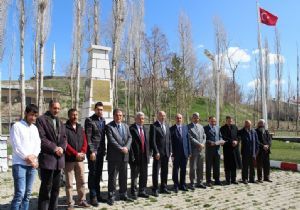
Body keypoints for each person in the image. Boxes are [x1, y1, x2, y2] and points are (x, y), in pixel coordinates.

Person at [37, 99, 67, 210]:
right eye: (55, 108)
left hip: (59, 160)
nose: (57, 110)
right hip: (48, 159)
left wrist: (62, 148)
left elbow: (64, 138)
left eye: (58, 108)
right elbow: (42, 138)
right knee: (46, 189)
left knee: (56, 189)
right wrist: (54, 148)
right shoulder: (41, 120)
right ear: (50, 107)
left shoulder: (60, 121)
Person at [10, 104, 40, 210]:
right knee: (20, 194)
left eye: (35, 115)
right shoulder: (17, 126)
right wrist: (27, 157)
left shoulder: (35, 128)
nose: (33, 118)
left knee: (27, 194)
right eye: (31, 115)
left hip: (32, 165)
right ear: (26, 113)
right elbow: (16, 145)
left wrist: (34, 156)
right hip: (19, 164)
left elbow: (38, 144)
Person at [106, 108, 133, 205]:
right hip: (114, 156)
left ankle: (123, 194)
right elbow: (111, 140)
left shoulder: (126, 126)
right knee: (112, 177)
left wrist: (127, 147)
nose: (119, 117)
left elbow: (130, 137)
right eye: (117, 115)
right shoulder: (109, 126)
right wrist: (121, 148)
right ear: (113, 116)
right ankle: (111, 196)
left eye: (120, 115)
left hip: (125, 155)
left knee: (123, 176)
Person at [64, 109, 89, 210]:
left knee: (81, 181)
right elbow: (65, 143)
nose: (75, 116)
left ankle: (82, 200)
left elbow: (85, 141)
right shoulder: (64, 128)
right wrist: (75, 153)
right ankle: (70, 203)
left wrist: (83, 152)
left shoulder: (80, 127)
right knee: (69, 183)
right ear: (69, 116)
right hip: (69, 159)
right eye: (73, 115)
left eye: (76, 114)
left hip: (80, 160)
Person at [84, 102, 106, 206]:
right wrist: (92, 151)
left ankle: (98, 194)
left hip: (101, 152)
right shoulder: (89, 120)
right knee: (92, 173)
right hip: (93, 152)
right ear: (94, 109)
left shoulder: (103, 120)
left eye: (101, 109)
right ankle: (92, 196)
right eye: (98, 109)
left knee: (98, 174)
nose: (100, 111)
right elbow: (88, 137)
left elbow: (102, 137)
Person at [150, 111, 172, 197]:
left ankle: (164, 187)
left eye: (164, 116)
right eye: (161, 116)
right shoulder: (154, 126)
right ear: (157, 116)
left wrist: (170, 151)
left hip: (166, 153)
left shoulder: (166, 125)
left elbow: (169, 140)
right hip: (158, 154)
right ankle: (155, 189)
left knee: (165, 171)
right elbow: (153, 141)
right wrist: (156, 152)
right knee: (156, 172)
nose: (163, 117)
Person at [129, 112, 150, 199]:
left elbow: (147, 142)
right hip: (135, 156)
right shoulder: (131, 128)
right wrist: (132, 156)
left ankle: (142, 191)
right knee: (134, 175)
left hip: (144, 155)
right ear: (135, 119)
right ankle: (134, 192)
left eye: (143, 119)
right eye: (140, 118)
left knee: (144, 174)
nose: (141, 120)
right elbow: (130, 144)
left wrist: (149, 154)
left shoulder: (145, 128)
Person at [170, 114, 191, 193]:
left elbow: (188, 140)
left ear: (182, 119)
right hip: (176, 153)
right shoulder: (171, 129)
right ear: (175, 119)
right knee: (175, 169)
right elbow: (170, 142)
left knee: (183, 169)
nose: (179, 119)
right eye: (177, 118)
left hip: (184, 153)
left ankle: (183, 184)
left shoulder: (185, 128)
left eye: (180, 118)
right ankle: (176, 185)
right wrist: (172, 153)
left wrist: (189, 151)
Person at [220, 116, 242, 185]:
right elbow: (223, 137)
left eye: (231, 121)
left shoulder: (235, 127)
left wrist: (237, 141)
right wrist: (232, 141)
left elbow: (238, 136)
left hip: (235, 149)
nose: (230, 122)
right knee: (227, 165)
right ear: (226, 121)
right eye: (229, 120)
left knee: (234, 164)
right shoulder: (222, 128)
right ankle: (227, 180)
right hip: (227, 148)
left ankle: (233, 179)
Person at [187, 112, 206, 190]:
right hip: (194, 150)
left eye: (197, 118)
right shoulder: (188, 127)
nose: (196, 119)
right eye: (195, 117)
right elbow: (190, 138)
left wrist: (203, 144)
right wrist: (199, 144)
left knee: (200, 167)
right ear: (192, 118)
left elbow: (204, 136)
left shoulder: (201, 127)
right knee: (193, 167)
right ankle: (192, 183)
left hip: (201, 150)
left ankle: (200, 182)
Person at [204, 116, 224, 186]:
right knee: (209, 166)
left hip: (217, 150)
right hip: (209, 150)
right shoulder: (205, 128)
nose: (213, 122)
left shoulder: (218, 127)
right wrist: (210, 142)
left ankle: (217, 180)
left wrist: (221, 141)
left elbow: (220, 136)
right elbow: (204, 139)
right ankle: (208, 181)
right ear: (209, 121)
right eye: (212, 121)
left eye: (214, 121)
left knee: (217, 166)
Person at [238, 120, 259, 184]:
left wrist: (256, 151)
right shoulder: (242, 131)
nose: (248, 126)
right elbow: (238, 137)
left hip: (253, 152)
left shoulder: (253, 131)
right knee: (245, 166)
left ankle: (252, 179)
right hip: (245, 152)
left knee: (252, 166)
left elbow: (256, 141)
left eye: (249, 125)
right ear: (245, 124)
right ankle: (245, 179)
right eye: (247, 125)